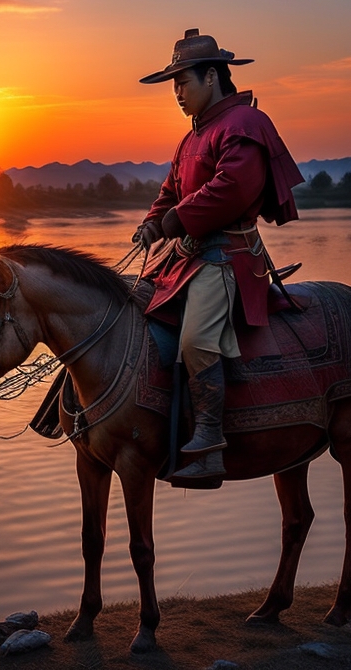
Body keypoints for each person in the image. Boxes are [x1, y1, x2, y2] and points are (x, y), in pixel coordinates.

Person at [133, 28, 304, 479]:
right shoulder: (191, 138)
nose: (177, 93)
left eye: (182, 82)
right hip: (186, 257)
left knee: (196, 340)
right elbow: (170, 191)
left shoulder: (245, 124)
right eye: (172, 85)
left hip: (226, 258)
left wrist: (175, 221)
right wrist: (154, 221)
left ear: (212, 76)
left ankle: (209, 440)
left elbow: (232, 189)